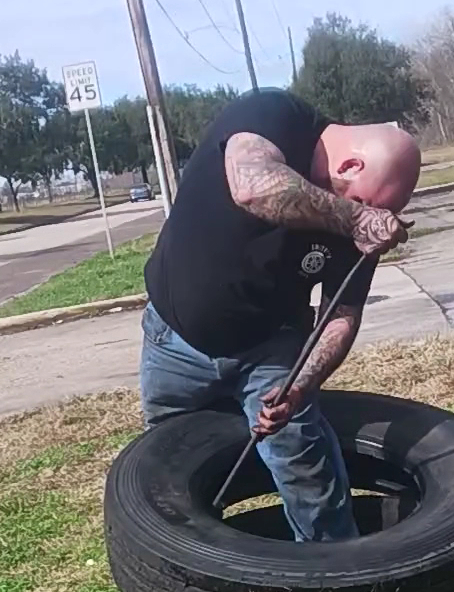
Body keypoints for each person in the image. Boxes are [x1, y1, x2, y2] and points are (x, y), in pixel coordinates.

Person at [140, 89, 421, 542]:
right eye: (365, 202)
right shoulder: (275, 115)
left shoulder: (363, 225)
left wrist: (301, 385)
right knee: (170, 466)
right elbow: (252, 187)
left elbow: (341, 315)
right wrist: (354, 217)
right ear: (350, 166)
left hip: (270, 350)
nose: (368, 215)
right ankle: (187, 568)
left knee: (305, 465)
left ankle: (333, 568)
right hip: (174, 343)